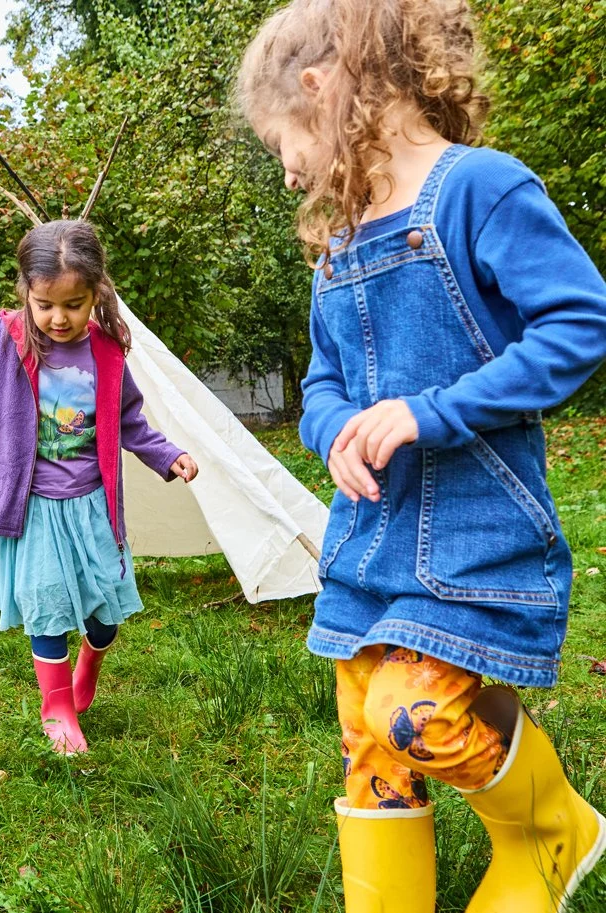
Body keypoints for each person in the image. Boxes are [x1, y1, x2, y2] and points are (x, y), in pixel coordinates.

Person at [237, 1, 606, 909]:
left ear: (319, 93)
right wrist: (333, 434)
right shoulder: (335, 246)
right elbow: (322, 381)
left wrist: (430, 412)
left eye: (281, 142)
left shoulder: (483, 188)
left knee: (415, 718)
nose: (286, 171)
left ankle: (549, 829)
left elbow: (579, 320)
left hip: (477, 527)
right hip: (370, 537)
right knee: (366, 731)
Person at [0, 219, 198, 755]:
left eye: (73, 304)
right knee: (45, 605)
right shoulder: (6, 338)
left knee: (104, 616)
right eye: (46, 304)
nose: (59, 317)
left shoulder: (107, 351)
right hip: (34, 509)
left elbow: (131, 421)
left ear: (95, 293)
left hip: (93, 505)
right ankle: (58, 709)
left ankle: (91, 660)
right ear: (26, 293)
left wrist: (169, 455)